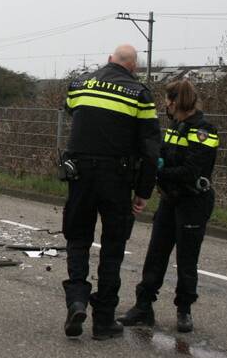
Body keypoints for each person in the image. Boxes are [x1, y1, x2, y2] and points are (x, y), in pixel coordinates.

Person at [61, 44, 161, 340]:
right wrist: (143, 191)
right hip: (117, 179)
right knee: (113, 248)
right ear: (133, 68)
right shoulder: (140, 94)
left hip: (79, 175)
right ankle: (104, 320)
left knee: (78, 239)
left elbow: (70, 110)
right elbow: (150, 149)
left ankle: (77, 299)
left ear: (108, 60)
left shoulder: (79, 84)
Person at [118, 78, 219, 333]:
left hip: (193, 201)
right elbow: (162, 153)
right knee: (156, 254)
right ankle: (143, 307)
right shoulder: (175, 126)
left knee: (186, 259)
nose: (165, 105)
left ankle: (184, 310)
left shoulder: (204, 130)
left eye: (166, 100)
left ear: (174, 101)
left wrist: (159, 173)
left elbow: (192, 170)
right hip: (170, 199)